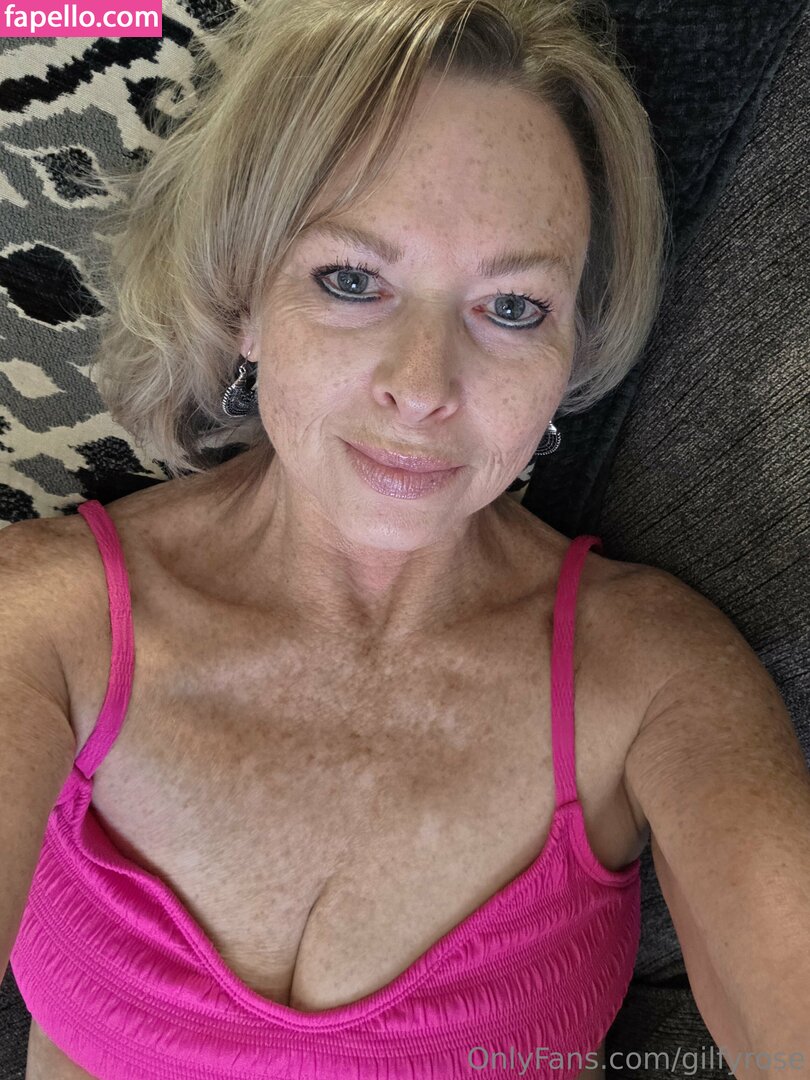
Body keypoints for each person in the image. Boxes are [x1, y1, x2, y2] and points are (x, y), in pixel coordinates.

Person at [2, 0, 809, 1077]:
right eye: (352, 280)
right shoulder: (44, 624)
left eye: (512, 308)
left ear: (570, 350)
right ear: (245, 302)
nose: (424, 387)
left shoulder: (654, 679)